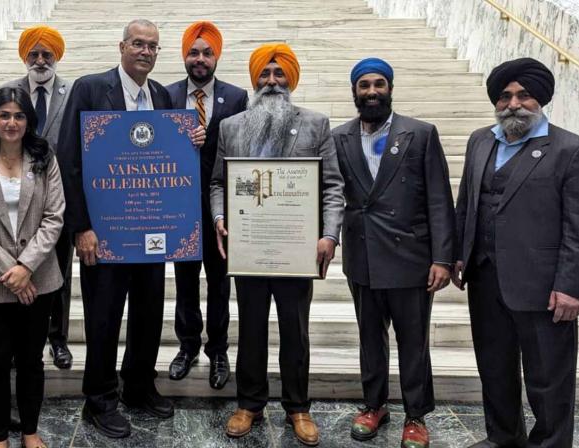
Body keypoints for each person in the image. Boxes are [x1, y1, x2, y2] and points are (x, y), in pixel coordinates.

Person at [55, 18, 204, 439]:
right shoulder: (90, 88)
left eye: (152, 47)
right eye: (137, 44)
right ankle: (99, 398)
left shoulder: (161, 94)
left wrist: (192, 139)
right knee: (103, 317)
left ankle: (138, 384)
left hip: (152, 231)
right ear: (121, 47)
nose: (145, 52)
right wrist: (80, 228)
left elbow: (171, 158)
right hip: (104, 235)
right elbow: (69, 163)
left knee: (148, 313)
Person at [453, 58, 579, 448]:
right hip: (484, 279)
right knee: (495, 368)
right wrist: (458, 254)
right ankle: (502, 437)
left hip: (543, 287)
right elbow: (466, 203)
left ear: (541, 100)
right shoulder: (480, 140)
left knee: (548, 378)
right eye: (505, 96)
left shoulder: (573, 150)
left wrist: (571, 286)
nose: (513, 104)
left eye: (524, 96)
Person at [209, 43, 345, 447]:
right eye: (265, 75)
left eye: (279, 74)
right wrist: (219, 218)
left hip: (296, 247)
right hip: (249, 245)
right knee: (250, 327)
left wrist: (329, 234)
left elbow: (332, 186)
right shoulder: (231, 126)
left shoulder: (316, 124)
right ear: (254, 80)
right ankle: (248, 403)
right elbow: (218, 181)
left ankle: (297, 407)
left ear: (291, 79)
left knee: (295, 329)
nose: (271, 81)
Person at [331, 58, 455, 448]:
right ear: (354, 91)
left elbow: (439, 198)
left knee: (413, 340)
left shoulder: (419, 133)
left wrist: (442, 258)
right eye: (364, 85)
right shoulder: (339, 137)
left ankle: (416, 415)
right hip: (362, 255)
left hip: (411, 257)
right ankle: (374, 405)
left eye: (378, 84)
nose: (371, 92)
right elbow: (330, 193)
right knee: (370, 337)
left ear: (390, 88)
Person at [0, 87, 65, 448]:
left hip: (40, 280)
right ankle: (0, 436)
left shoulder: (44, 160)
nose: (12, 122)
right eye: (4, 114)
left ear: (28, 122)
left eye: (19, 115)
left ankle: (30, 431)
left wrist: (27, 266)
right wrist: (13, 271)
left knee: (32, 361)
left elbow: (54, 217)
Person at [164, 20, 248, 389]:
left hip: (221, 210)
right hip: (179, 206)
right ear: (184, 55)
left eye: (207, 52)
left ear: (217, 56)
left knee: (218, 282)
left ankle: (218, 350)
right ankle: (187, 346)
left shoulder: (237, 96)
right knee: (184, 281)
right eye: (194, 52)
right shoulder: (164, 94)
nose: (200, 59)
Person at [1, 26, 74, 369]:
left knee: (58, 273)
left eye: (47, 54)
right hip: (17, 200)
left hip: (59, 200)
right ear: (25, 57)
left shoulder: (72, 91)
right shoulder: (12, 93)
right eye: (35, 55)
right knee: (20, 268)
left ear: (57, 56)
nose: (41, 61)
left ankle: (57, 340)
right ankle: (20, 341)